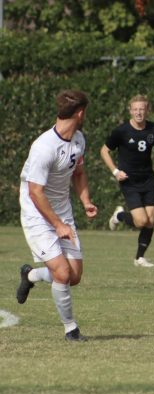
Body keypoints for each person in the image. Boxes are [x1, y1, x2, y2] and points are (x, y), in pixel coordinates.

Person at [16, 89, 97, 342]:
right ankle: (70, 329)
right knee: (61, 273)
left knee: (73, 277)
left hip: (62, 212)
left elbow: (79, 172)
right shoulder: (43, 147)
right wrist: (57, 224)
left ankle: (30, 275)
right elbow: (35, 191)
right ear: (80, 113)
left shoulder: (78, 139)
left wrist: (85, 201)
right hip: (36, 213)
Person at [100, 95, 154, 268]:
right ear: (130, 110)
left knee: (151, 220)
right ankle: (120, 215)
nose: (139, 112)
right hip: (129, 181)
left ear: (147, 110)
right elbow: (104, 151)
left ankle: (139, 258)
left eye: (142, 109)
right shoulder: (121, 131)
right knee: (141, 222)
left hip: (148, 179)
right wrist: (115, 171)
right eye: (135, 109)